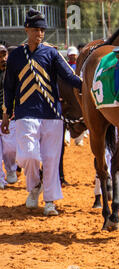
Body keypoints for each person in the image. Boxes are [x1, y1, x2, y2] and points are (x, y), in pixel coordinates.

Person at [1, 9, 82, 216]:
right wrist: (5, 113)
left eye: (42, 29)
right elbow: (9, 87)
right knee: (28, 155)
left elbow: (69, 76)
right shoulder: (17, 55)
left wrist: (86, 86)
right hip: (25, 113)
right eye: (36, 29)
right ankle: (35, 185)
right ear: (26, 29)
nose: (40, 33)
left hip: (52, 115)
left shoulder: (52, 53)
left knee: (51, 159)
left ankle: (50, 201)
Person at [0, 43, 18, 189]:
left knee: (10, 148)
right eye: (0, 55)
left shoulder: (13, 73)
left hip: (11, 117)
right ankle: (0, 179)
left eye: (4, 54)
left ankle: (11, 169)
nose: (2, 58)